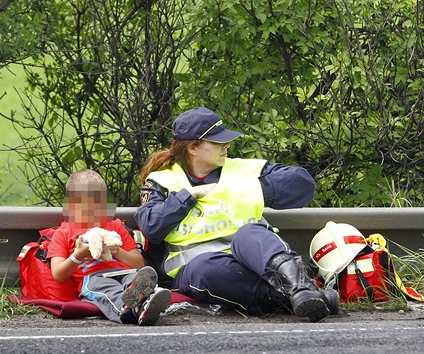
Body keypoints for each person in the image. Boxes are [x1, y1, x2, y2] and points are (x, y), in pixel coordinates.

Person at [135, 107, 339, 322]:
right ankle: (305, 299)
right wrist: (189, 196)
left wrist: (240, 190)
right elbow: (151, 226)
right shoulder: (162, 181)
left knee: (250, 233)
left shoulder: (244, 170)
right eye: (217, 142)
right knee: (204, 270)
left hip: (256, 260)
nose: (226, 145)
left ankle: (301, 290)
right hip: (204, 269)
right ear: (193, 147)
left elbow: (303, 183)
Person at [47, 169, 171, 326]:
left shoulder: (116, 226)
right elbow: (58, 274)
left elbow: (138, 263)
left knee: (136, 278)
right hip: (94, 277)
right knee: (109, 291)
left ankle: (147, 301)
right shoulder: (63, 233)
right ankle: (129, 310)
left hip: (125, 272)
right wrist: (77, 256)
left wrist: (117, 251)